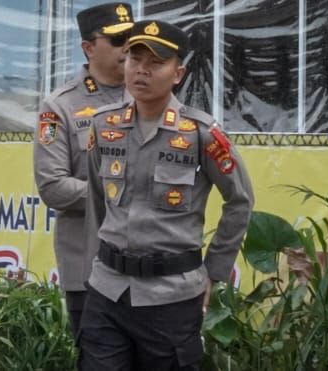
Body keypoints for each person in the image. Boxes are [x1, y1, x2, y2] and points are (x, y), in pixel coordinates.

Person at [80, 19, 253, 371]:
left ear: (178, 73)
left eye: (155, 63)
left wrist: (214, 272)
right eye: (134, 60)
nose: (141, 71)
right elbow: (99, 201)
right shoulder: (104, 126)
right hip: (108, 291)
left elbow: (240, 200)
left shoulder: (200, 133)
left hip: (172, 297)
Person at [35, 1, 133, 340]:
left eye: (131, 39)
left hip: (147, 268)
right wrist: (119, 191)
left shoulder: (149, 98)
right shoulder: (60, 106)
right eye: (118, 41)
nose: (128, 49)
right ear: (88, 48)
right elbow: (53, 188)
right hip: (89, 268)